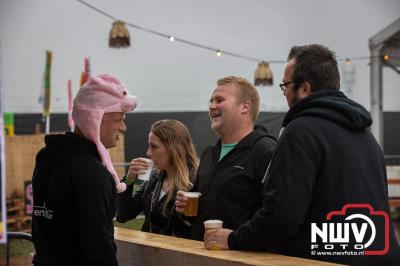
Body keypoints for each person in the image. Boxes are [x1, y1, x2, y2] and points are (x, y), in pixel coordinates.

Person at [204, 44, 400, 265]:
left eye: (286, 85)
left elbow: (281, 217)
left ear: (305, 89)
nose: (285, 92)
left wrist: (232, 238)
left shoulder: (301, 130)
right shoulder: (366, 135)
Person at [32, 74, 137, 265]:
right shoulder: (91, 173)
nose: (123, 128)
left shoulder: (48, 158)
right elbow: (99, 248)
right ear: (94, 119)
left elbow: (39, 230)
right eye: (117, 120)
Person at [175, 76, 276, 240]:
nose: (212, 106)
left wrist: (234, 239)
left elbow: (275, 215)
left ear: (244, 107)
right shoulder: (210, 153)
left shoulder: (265, 152)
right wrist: (186, 207)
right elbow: (206, 209)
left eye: (219, 100)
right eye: (211, 101)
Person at [116, 119, 199, 238]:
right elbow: (124, 215)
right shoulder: (152, 177)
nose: (148, 152)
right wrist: (128, 180)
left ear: (173, 148)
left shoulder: (196, 181)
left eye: (154, 147)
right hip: (149, 253)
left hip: (178, 255)